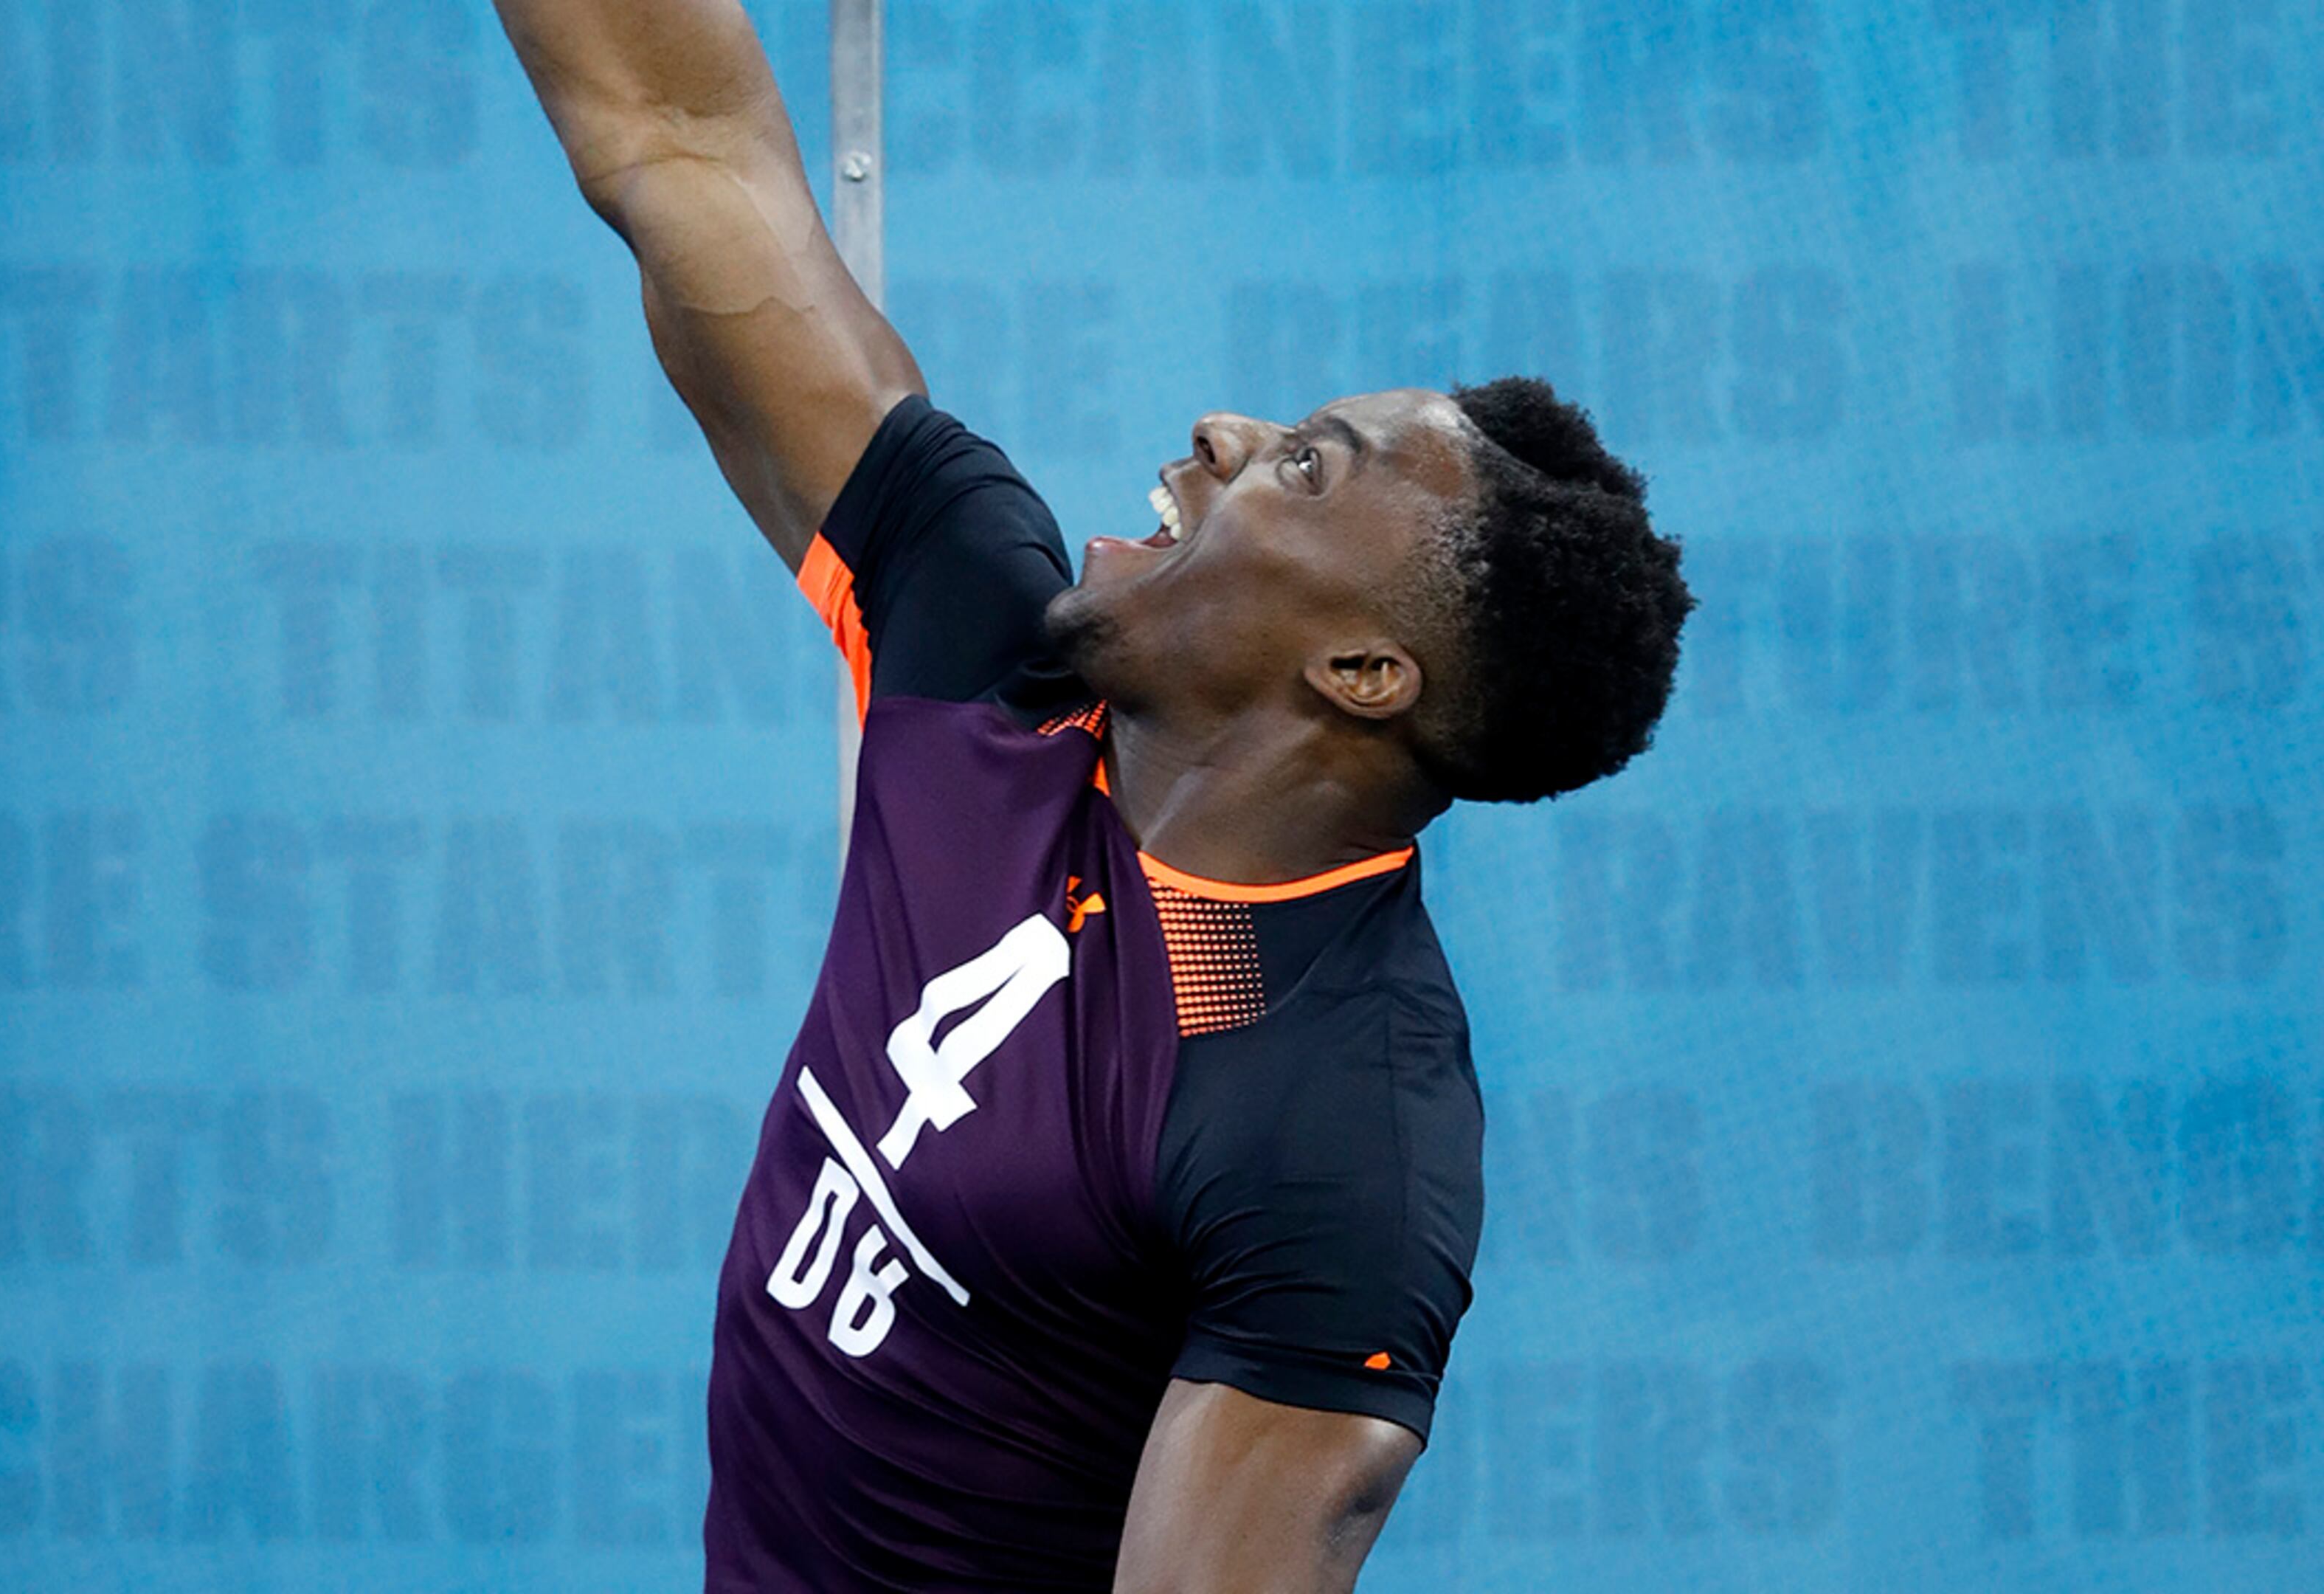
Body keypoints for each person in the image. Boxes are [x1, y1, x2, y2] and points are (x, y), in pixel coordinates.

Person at [491, 2, 1693, 1588]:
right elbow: (682, 145)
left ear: (1360, 674)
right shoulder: (986, 641)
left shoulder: (1331, 1128)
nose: (1226, 432)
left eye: (1308, 468)